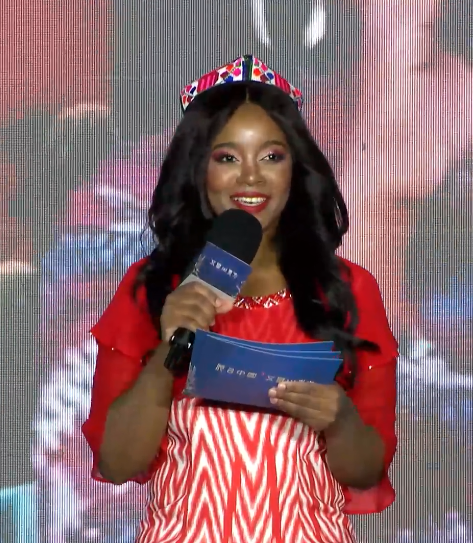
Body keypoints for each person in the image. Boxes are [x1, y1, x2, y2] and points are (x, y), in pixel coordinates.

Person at [81, 55, 398, 542]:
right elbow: (117, 462)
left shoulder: (348, 289)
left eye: (271, 157)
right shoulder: (153, 285)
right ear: (198, 168)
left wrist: (339, 419)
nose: (251, 177)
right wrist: (169, 352)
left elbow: (365, 471)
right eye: (227, 158)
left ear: (296, 169)